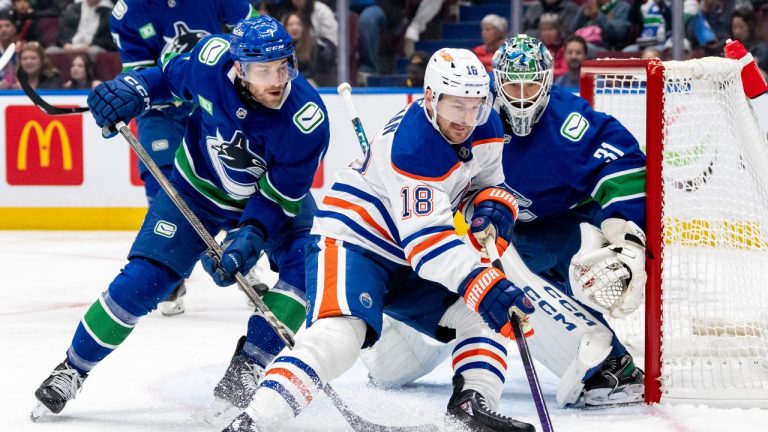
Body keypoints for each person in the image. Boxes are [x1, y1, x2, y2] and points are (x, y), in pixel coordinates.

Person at [31, 15, 330, 423]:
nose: (278, 80)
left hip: (263, 201)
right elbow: (165, 80)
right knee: (143, 281)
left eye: (284, 66)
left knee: (306, 268)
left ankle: (249, 365)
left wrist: (249, 238)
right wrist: (132, 90)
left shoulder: (306, 120)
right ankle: (72, 368)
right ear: (239, 67)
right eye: (264, 70)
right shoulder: (209, 61)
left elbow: (279, 198)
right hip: (196, 192)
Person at [222, 47, 535, 432]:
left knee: (481, 318)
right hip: (355, 243)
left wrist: (493, 204)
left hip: (405, 255)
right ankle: (251, 423)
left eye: (476, 107)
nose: (467, 120)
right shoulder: (411, 147)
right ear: (431, 98)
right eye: (457, 107)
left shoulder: (485, 127)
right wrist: (481, 283)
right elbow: (429, 246)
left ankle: (472, 404)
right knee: (339, 339)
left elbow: (485, 182)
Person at [362, 35, 648, 409]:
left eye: (532, 84)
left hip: (560, 227)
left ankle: (607, 366)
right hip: (484, 228)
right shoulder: (472, 116)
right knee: (412, 337)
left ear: (548, 82)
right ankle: (398, 348)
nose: (523, 95)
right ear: (496, 81)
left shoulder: (570, 122)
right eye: (513, 84)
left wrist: (623, 231)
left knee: (522, 267)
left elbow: (624, 165)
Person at [110, 0, 258, 315]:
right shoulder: (128, 11)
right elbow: (138, 71)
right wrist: (138, 92)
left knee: (232, 181)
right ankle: (169, 267)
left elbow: (253, 30)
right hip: (161, 112)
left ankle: (243, 259)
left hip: (211, 102)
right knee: (164, 186)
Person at [282, 10, 335, 87]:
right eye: (290, 24)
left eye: (298, 24)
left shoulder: (316, 47)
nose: (294, 27)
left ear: (304, 27)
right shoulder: (280, 50)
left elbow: (319, 75)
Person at [47, 0, 116, 55]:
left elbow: (108, 39)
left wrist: (89, 45)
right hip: (71, 46)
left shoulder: (109, 13)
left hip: (92, 47)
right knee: (50, 51)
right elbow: (65, 30)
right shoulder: (73, 9)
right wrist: (66, 44)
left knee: (94, 50)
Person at [0, 10, 17, 89]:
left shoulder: (24, 50)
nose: (3, 29)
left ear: (14, 29)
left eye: (7, 26)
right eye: (0, 27)